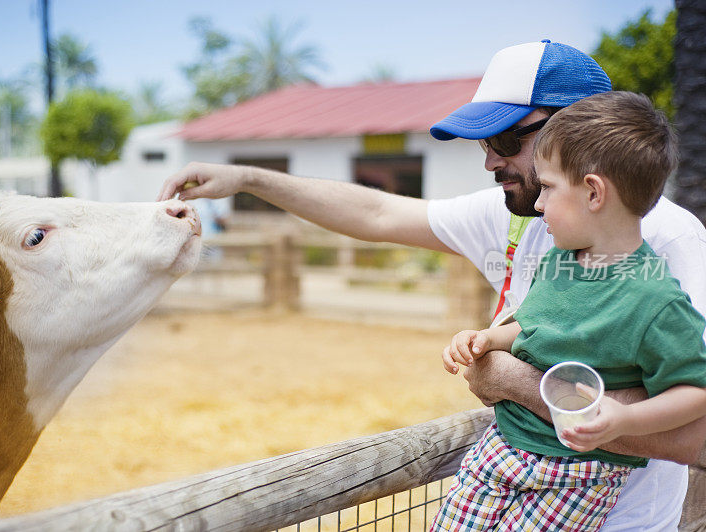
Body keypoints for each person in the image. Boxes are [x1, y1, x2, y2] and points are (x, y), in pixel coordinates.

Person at [158, 40, 706, 530]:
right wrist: (250, 179)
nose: (491, 160)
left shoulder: (666, 240)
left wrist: (512, 380)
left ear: (576, 133)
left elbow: (695, 428)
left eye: (509, 138)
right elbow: (375, 212)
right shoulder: (523, 214)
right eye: (484, 142)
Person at [433, 90, 706, 531]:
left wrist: (625, 418)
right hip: (503, 446)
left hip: (578, 473)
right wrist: (487, 340)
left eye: (548, 188)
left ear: (594, 193)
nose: (538, 206)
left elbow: (695, 392)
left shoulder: (657, 302)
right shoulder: (561, 261)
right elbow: (531, 322)